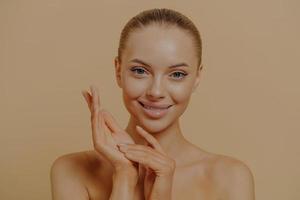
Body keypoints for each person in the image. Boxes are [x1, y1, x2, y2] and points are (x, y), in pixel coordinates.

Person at [50, 8, 255, 200]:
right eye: (140, 71)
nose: (156, 92)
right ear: (118, 71)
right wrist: (124, 177)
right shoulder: (72, 170)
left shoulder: (231, 178)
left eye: (177, 74)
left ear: (197, 78)